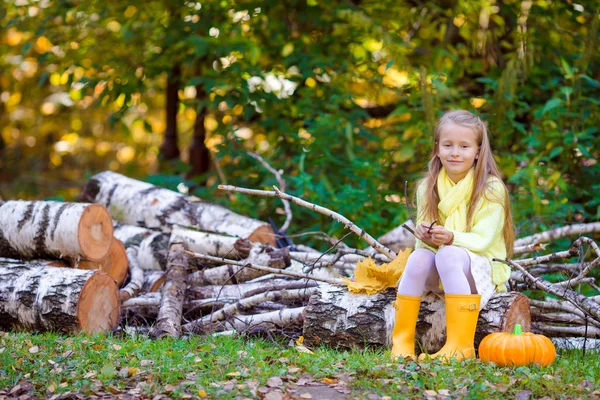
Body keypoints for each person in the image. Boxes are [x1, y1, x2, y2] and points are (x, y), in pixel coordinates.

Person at [391, 110, 514, 361]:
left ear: (478, 151)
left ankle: (460, 346)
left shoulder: (491, 189)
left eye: (464, 146)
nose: (455, 152)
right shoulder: (428, 186)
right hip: (442, 267)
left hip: (479, 269)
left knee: (448, 254)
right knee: (417, 259)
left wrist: (449, 238)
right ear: (437, 148)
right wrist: (423, 234)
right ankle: (401, 341)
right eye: (448, 145)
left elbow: (482, 241)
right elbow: (422, 245)